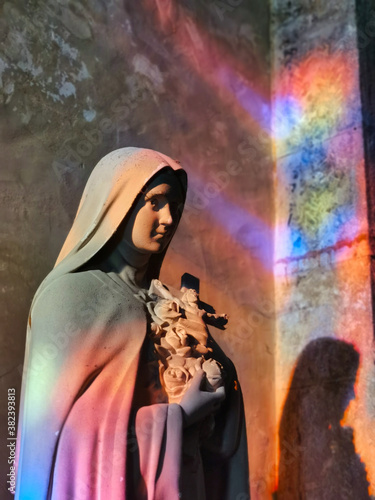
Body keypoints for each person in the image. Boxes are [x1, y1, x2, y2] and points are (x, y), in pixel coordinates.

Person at [15, 147, 249, 500]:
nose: (169, 218)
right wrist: (177, 419)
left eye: (175, 206)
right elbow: (58, 443)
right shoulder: (70, 297)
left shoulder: (171, 304)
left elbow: (222, 441)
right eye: (155, 201)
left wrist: (218, 379)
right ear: (115, 202)